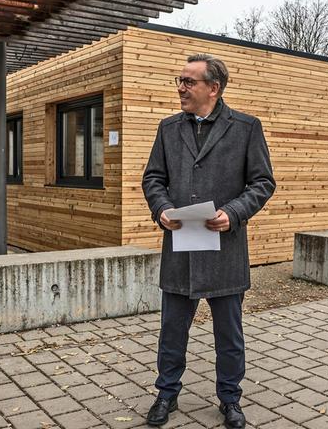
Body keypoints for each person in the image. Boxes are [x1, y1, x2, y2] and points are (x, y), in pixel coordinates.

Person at [141, 54, 276, 428]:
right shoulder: (168, 128)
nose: (181, 87)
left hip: (225, 250)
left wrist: (233, 213)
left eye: (189, 81)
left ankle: (230, 399)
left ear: (213, 88)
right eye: (179, 80)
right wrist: (162, 208)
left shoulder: (246, 128)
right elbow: (153, 178)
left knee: (229, 336)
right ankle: (166, 394)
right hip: (180, 248)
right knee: (171, 332)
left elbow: (263, 183)